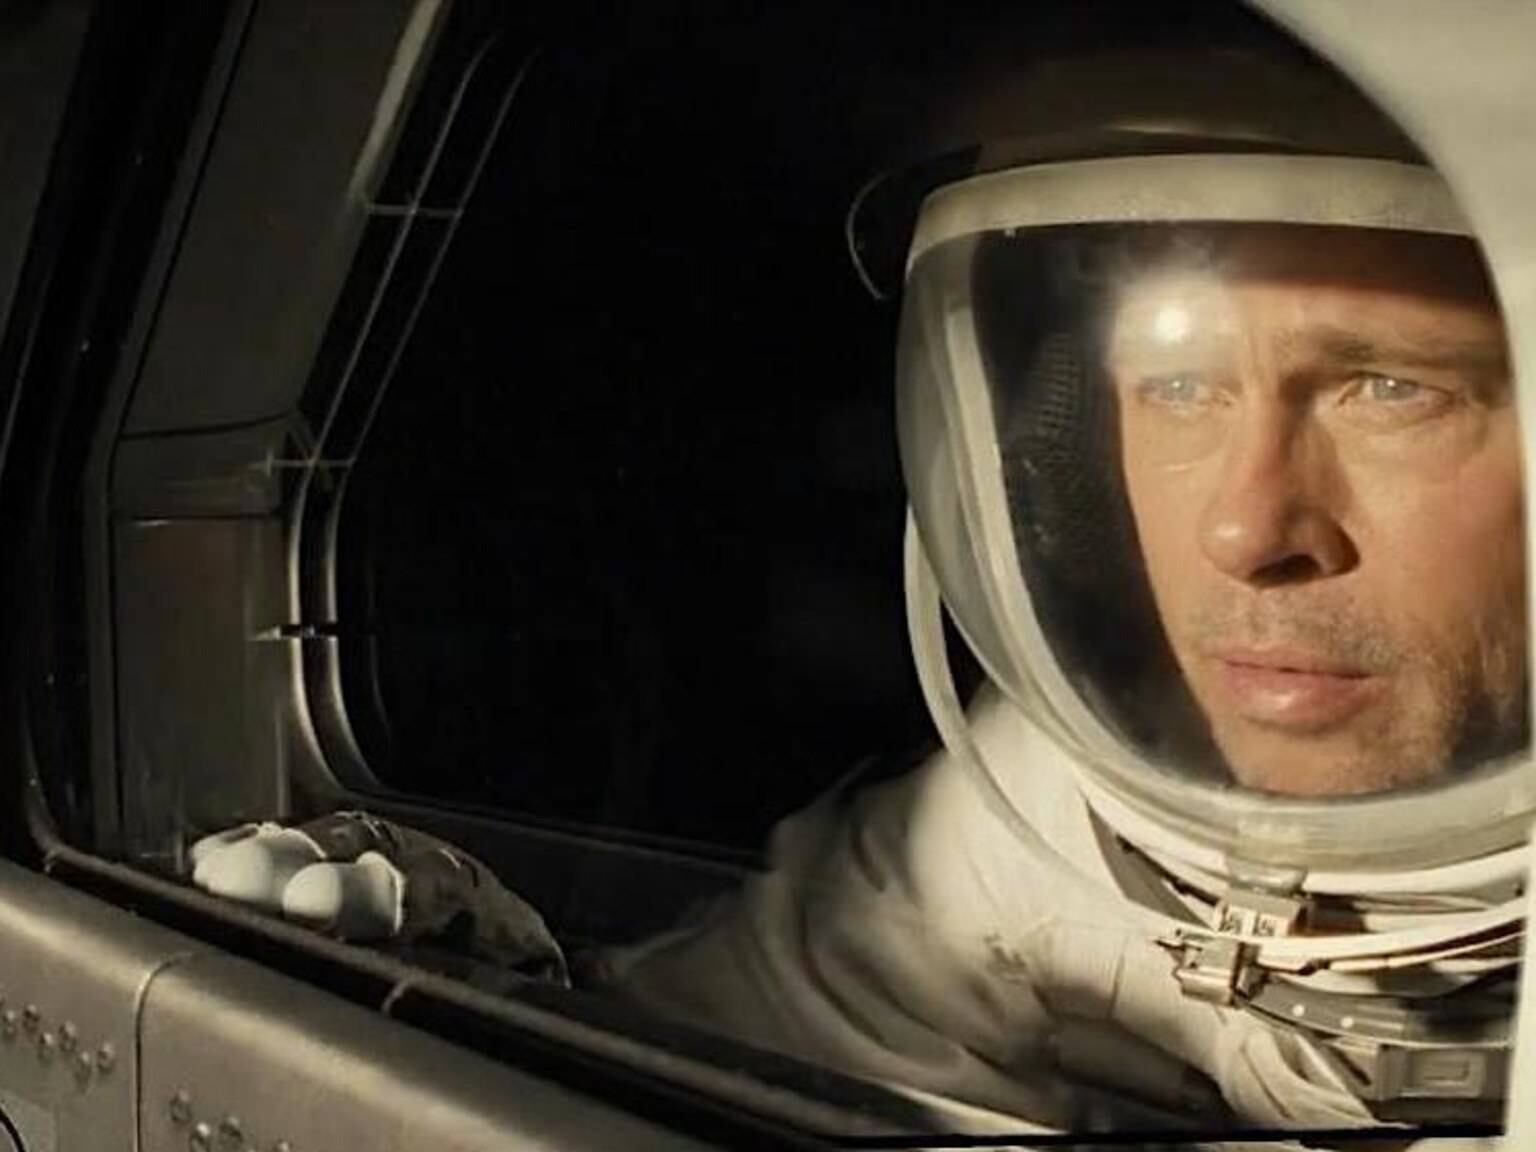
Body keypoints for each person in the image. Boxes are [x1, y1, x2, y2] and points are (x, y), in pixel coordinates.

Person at [187, 35, 1535, 1146]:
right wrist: (492, 993)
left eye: (1391, 387)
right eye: (1179, 386)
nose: (1248, 524)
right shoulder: (1031, 825)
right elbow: (696, 1072)